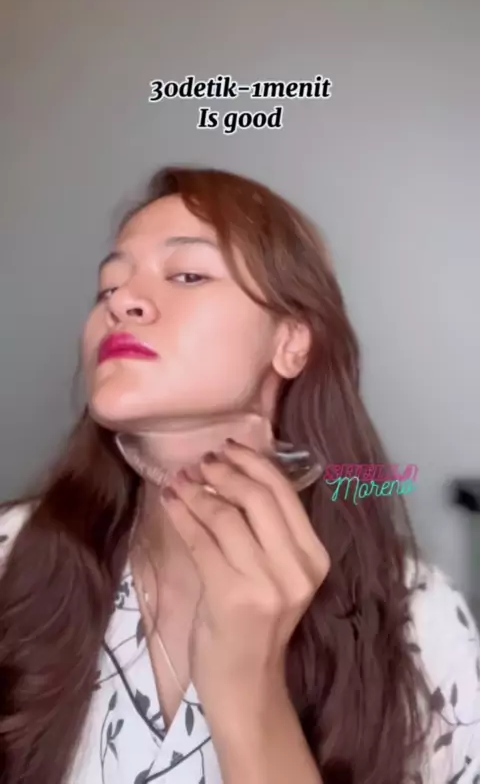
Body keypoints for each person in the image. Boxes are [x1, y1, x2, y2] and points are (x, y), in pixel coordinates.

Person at [0, 166, 479, 784]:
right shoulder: (11, 555)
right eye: (107, 287)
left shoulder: (418, 619)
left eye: (188, 275)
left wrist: (248, 690)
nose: (121, 301)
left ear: (292, 343)